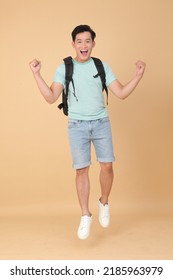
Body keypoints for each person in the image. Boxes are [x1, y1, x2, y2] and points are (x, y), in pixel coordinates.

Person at [29, 24, 146, 240]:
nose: (84, 45)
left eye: (88, 41)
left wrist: (137, 76)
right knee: (81, 170)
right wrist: (36, 74)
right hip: (77, 125)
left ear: (93, 44)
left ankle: (104, 201)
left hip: (101, 122)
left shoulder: (101, 66)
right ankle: (85, 215)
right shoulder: (65, 67)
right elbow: (50, 97)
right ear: (73, 44)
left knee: (107, 166)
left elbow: (120, 92)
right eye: (79, 41)